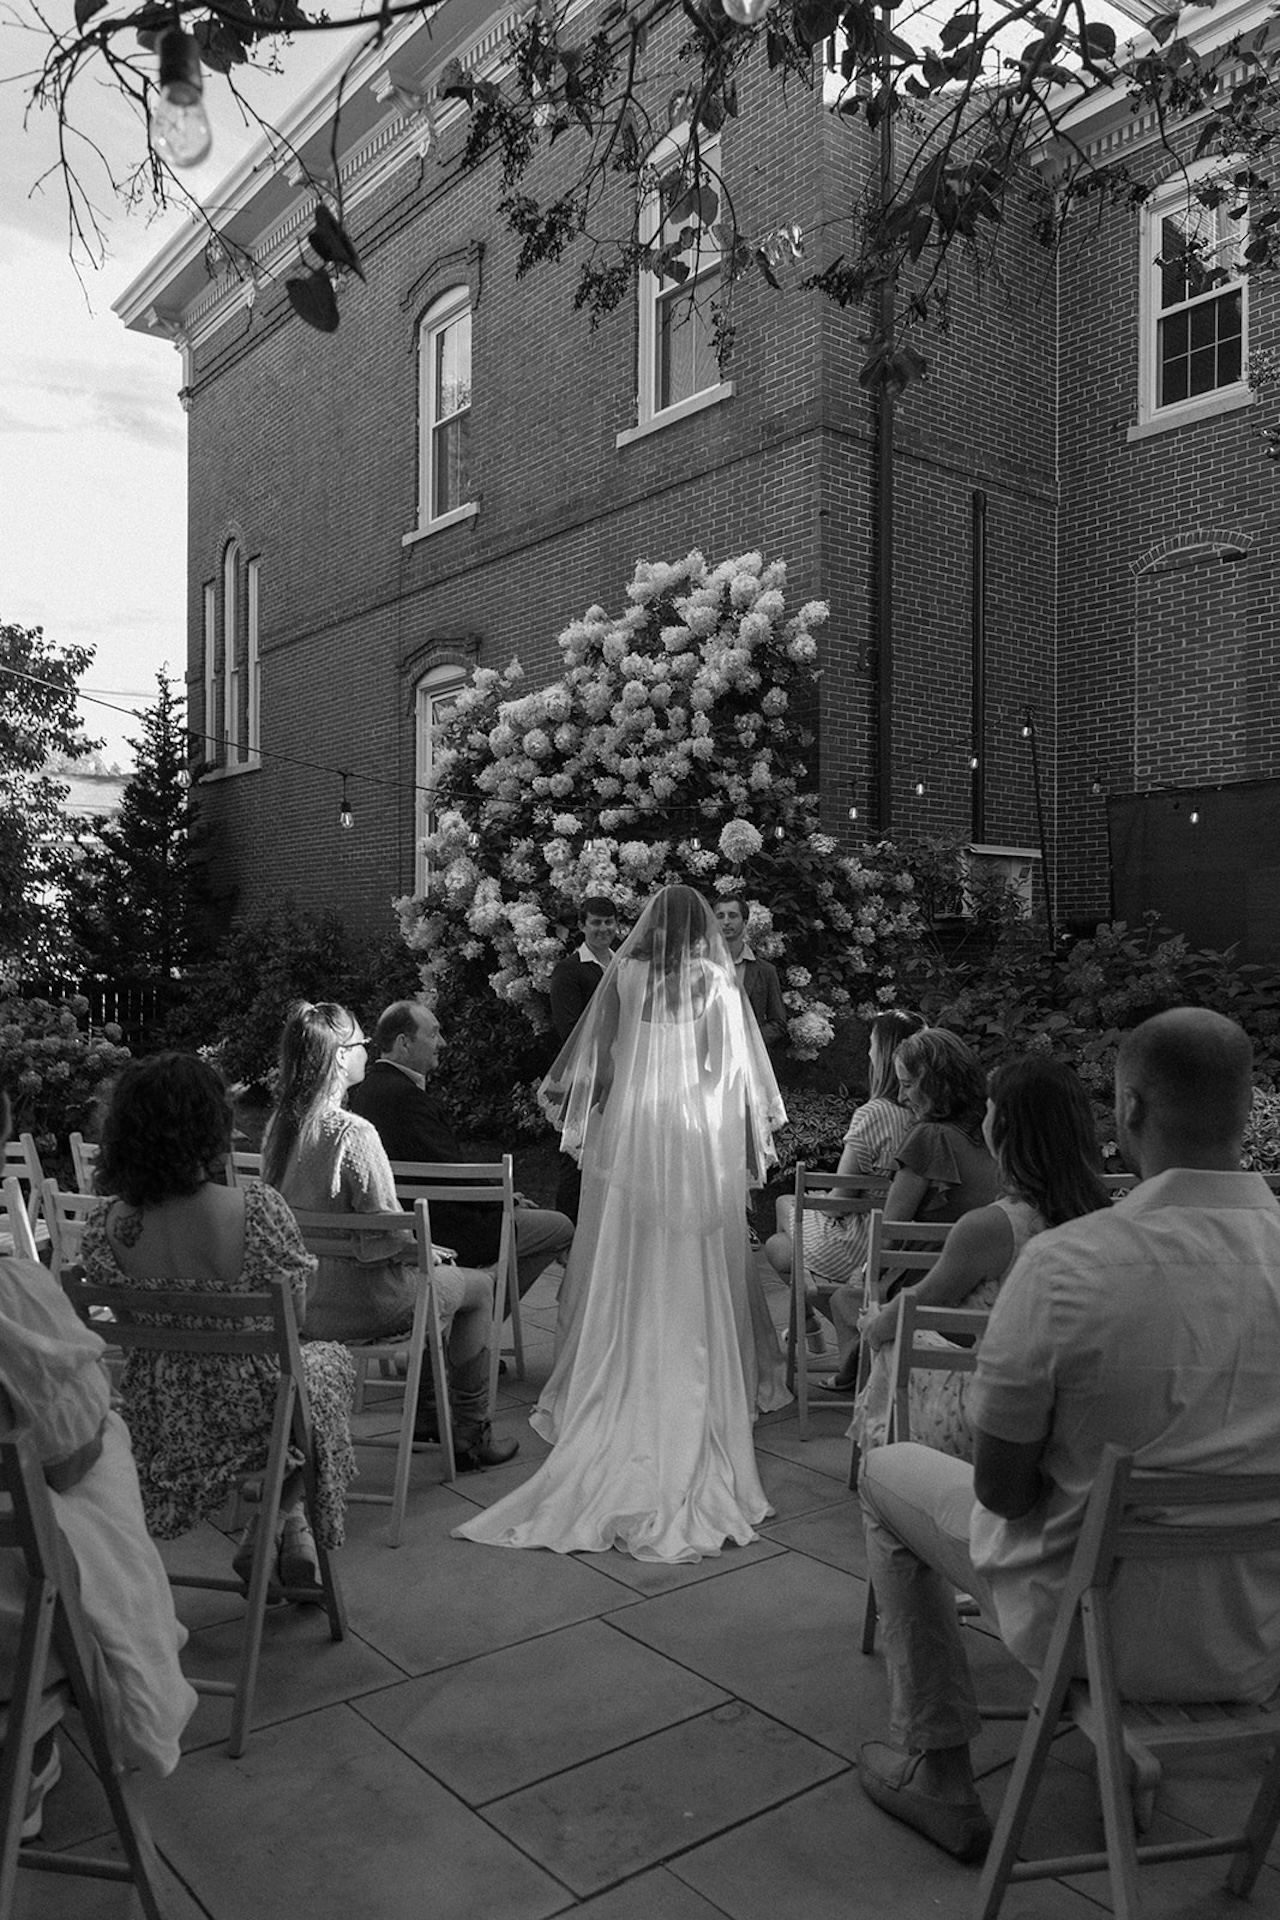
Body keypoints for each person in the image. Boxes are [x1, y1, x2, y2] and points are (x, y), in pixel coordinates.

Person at [857, 1008, 1280, 1864]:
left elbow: (1001, 1494)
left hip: (1081, 1623)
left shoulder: (1064, 1266)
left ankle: (938, 1769)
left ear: (1127, 1110)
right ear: (1246, 1112)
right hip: (1259, 1639)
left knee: (884, 1471)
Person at [454, 884, 789, 1562]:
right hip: (691, 1131)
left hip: (636, 1131)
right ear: (697, 931)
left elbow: (602, 1060)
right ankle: (689, 1362)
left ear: (646, 928)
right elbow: (721, 1071)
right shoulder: (714, 981)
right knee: (690, 1249)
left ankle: (623, 1357)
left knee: (629, 1245)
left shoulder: (624, 974)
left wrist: (618, 1105)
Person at [81, 1051, 357, 1595]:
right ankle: (276, 1520)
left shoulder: (105, 1224)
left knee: (303, 1388)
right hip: (252, 1415)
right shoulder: (255, 1209)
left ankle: (286, 1526)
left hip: (157, 1416)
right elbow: (295, 1319)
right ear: (211, 1127)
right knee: (328, 1368)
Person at [0, 1086, 196, 1839]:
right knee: (95, 1455)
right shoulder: (11, 1299)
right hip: (14, 1614)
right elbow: (73, 1451)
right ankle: (34, 1752)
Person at [263, 1001, 518, 1472]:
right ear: (340, 1057)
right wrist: (423, 1249)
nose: (366, 1051)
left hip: (300, 1304)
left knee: (437, 1281)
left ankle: (426, 1412)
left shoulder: (280, 1126)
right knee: (480, 1287)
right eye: (360, 1044)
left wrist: (414, 1245)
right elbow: (383, 1235)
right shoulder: (352, 1134)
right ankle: (469, 1432)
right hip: (363, 1304)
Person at [853, 1056, 1111, 1459]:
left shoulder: (992, 1227)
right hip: (1080, 1410)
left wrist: (874, 1323)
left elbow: (916, 1306)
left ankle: (879, 1469)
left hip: (1000, 1420)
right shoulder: (1107, 1217)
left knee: (888, 1333)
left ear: (1003, 1129)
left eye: (988, 1109)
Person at [347, 999, 575, 1302]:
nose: (441, 1043)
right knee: (559, 1228)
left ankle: (473, 1301)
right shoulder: (406, 1098)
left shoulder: (367, 1092)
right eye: (433, 1034)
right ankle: (482, 1309)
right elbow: (449, 1173)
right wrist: (502, 1199)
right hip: (442, 1229)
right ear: (404, 1042)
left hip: (407, 1220)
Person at [824, 1026, 1001, 1390]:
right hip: (991, 1297)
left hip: (930, 1299)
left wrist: (865, 1273)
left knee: (845, 1298)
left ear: (935, 1083)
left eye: (907, 1084)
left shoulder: (929, 1138)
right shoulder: (992, 1132)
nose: (902, 1097)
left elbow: (888, 1235)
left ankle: (868, 1391)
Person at [764, 1008, 926, 1354]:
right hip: (908, 1242)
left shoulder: (875, 1114)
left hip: (863, 1241)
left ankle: (825, 1325)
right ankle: (810, 1323)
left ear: (884, 1055)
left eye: (871, 1045)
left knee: (780, 1237)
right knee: (786, 1218)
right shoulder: (928, 1115)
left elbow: (840, 1198)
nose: (867, 1053)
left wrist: (824, 1195)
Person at [548, 896, 620, 1220]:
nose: (603, 929)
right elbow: (569, 1028)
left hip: (620, 1073)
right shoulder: (569, 970)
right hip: (583, 1075)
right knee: (575, 1155)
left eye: (608, 922)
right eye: (596, 922)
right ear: (582, 925)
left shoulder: (622, 965)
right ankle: (566, 1234)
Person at [714, 896, 787, 1051]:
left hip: (750, 1062)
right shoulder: (702, 967)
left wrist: (746, 1041)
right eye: (720, 916)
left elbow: (778, 1023)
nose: (726, 922)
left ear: (745, 922)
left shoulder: (766, 971)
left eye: (732, 915)